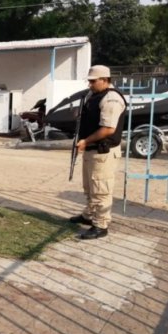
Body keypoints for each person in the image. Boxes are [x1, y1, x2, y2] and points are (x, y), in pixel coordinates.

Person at [69, 65, 126, 239]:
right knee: (90, 187)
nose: (90, 84)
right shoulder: (93, 95)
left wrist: (86, 141)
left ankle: (101, 225)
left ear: (105, 79)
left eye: (93, 81)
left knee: (101, 189)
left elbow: (108, 128)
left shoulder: (111, 99)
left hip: (103, 152)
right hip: (92, 150)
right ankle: (89, 216)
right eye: (89, 81)